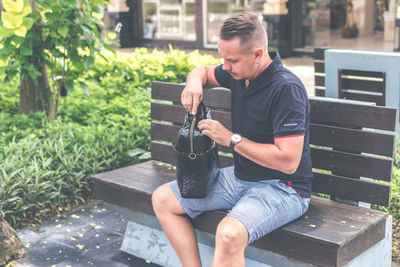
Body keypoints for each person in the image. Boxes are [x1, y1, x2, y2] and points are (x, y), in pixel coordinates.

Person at [152, 13, 312, 267]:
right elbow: (203, 71)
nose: (225, 67)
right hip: (241, 177)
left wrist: (230, 139)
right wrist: (193, 82)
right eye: (223, 59)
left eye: (232, 60)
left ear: (258, 54)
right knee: (162, 199)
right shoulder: (240, 74)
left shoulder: (286, 89)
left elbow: (289, 162)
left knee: (228, 234)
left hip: (284, 188)